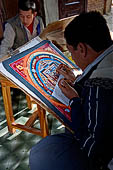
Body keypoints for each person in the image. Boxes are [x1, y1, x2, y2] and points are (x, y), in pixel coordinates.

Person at [29, 11, 113, 170]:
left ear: (82, 48)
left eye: (71, 52)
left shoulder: (100, 87)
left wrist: (75, 101)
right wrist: (76, 81)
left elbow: (94, 150)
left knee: (40, 155)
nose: (72, 59)